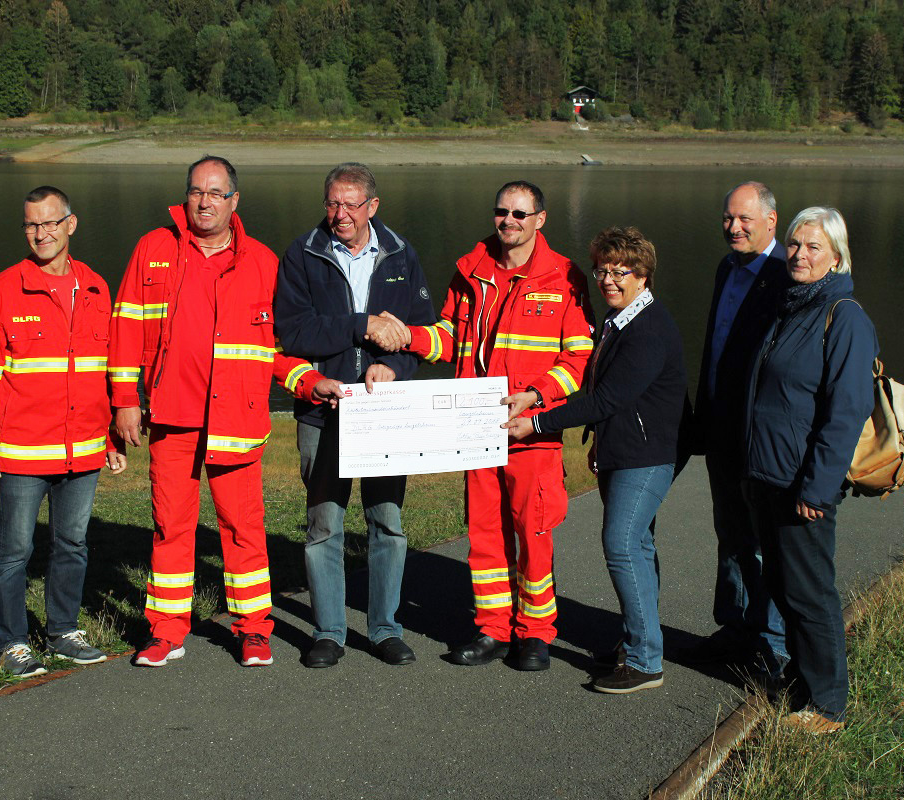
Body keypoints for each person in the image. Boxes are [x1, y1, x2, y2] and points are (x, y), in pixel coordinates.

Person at [108, 156, 340, 668]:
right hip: (173, 416)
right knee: (171, 525)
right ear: (185, 197)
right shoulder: (154, 249)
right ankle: (166, 630)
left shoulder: (262, 262)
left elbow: (277, 347)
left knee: (243, 528)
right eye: (196, 192)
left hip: (238, 417)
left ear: (235, 200)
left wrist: (307, 381)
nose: (204, 201)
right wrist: (125, 401)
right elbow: (124, 329)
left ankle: (253, 629)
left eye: (215, 193)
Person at [395, 181, 595, 671]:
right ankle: (492, 630)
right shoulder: (472, 271)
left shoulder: (564, 276)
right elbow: (448, 337)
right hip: (475, 429)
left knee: (534, 534)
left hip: (532, 432)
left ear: (540, 220)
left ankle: (536, 634)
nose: (509, 221)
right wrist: (406, 337)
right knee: (484, 536)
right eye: (502, 212)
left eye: (521, 214)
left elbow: (580, 357)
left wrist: (537, 396)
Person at [504, 227, 687, 693]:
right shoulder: (618, 319)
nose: (608, 279)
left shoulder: (648, 328)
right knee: (638, 548)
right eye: (602, 270)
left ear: (642, 275)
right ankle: (636, 643)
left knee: (622, 546)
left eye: (620, 271)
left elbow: (607, 398)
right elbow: (605, 398)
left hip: (646, 458)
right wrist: (598, 443)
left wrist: (539, 421)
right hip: (622, 452)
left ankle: (646, 662)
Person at [274, 163, 437, 668]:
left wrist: (393, 363)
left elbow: (422, 333)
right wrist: (362, 327)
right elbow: (295, 332)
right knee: (324, 524)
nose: (339, 214)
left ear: (372, 206)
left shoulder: (401, 254)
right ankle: (328, 631)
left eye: (350, 205)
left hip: (385, 411)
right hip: (323, 408)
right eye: (331, 204)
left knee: (387, 522)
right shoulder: (302, 254)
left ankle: (386, 628)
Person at [0, 185, 124, 678]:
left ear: (71, 225)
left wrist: (113, 435)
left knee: (72, 543)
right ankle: (11, 642)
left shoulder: (95, 287)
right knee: (14, 549)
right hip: (23, 450)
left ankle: (62, 631)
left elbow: (107, 369)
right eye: (31, 225)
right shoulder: (0, 293)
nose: (41, 234)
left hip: (84, 448)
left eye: (50, 223)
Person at [743, 206, 877, 733]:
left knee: (810, 592)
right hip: (769, 476)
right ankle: (802, 682)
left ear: (837, 257)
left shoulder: (844, 316)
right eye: (795, 245)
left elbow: (846, 413)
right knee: (782, 585)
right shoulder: (792, 306)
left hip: (804, 484)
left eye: (813, 247)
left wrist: (818, 489)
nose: (799, 255)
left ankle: (827, 706)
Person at [687, 181, 790, 678]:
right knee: (729, 531)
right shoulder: (726, 268)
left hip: (760, 434)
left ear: (772, 221)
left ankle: (772, 644)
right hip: (721, 426)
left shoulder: (786, 274)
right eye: (728, 218)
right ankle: (734, 627)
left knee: (763, 538)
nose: (734, 227)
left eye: (745, 219)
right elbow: (715, 346)